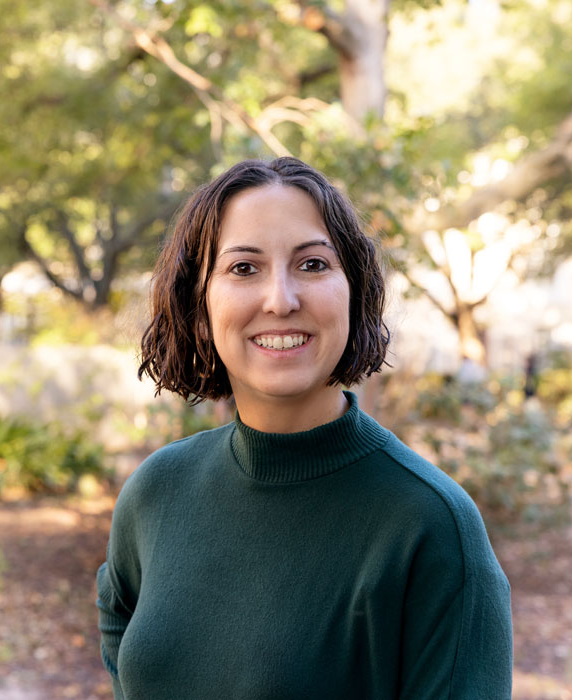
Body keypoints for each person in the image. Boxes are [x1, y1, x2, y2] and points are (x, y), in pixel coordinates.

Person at [96, 157, 513, 699]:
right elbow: (121, 647)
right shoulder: (156, 491)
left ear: (354, 291)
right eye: (243, 268)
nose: (280, 299)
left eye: (313, 265)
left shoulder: (430, 527)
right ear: (198, 304)